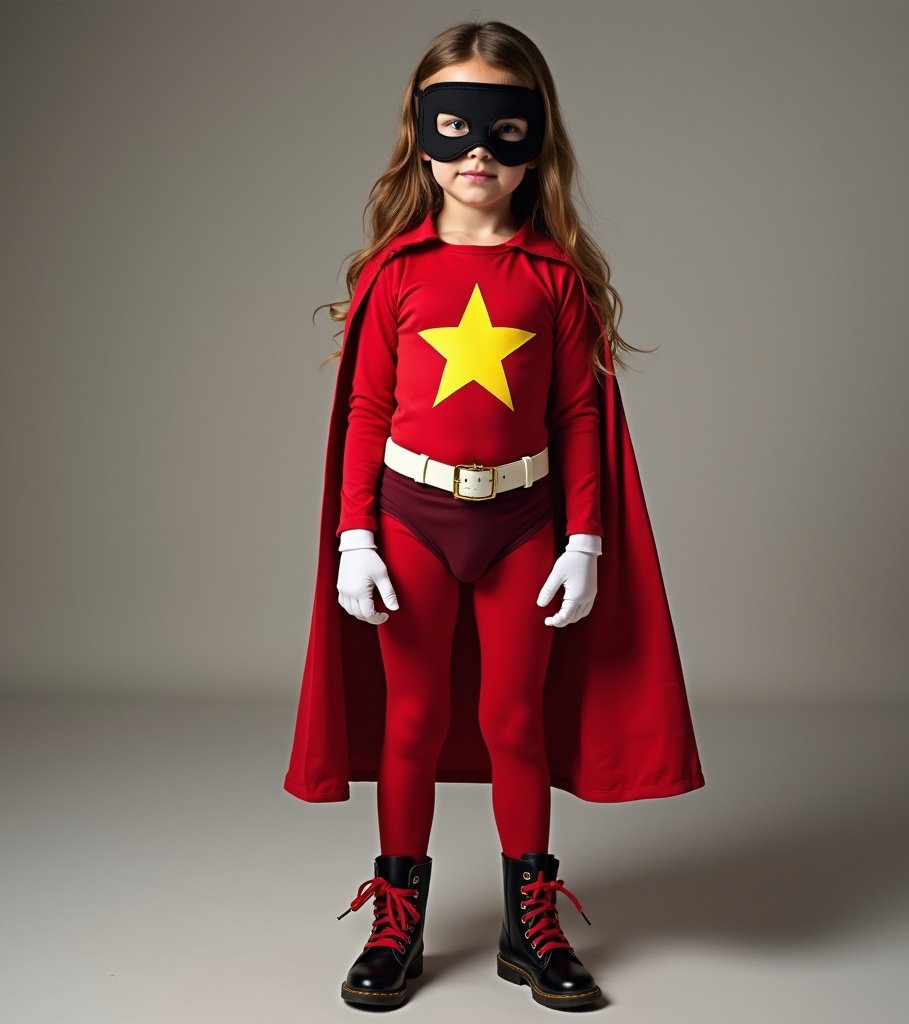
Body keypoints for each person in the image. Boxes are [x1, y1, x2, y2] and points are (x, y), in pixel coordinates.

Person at [282, 19, 705, 1011]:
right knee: (412, 721)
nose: (477, 149)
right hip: (410, 516)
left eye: (503, 127)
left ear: (537, 138)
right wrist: (353, 536)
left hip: (522, 523)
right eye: (455, 122)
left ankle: (529, 922)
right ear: (420, 136)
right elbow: (366, 413)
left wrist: (587, 540)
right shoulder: (395, 274)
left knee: (515, 722)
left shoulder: (554, 280)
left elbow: (578, 413)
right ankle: (400, 921)